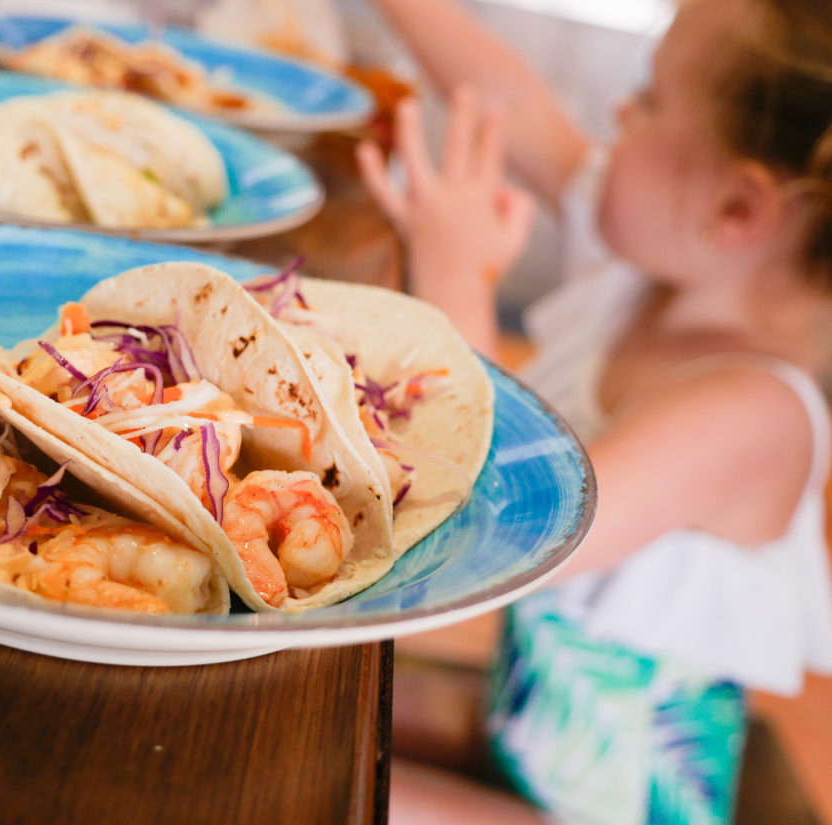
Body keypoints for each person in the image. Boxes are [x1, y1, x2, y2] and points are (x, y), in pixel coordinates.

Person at [356, 0, 832, 822]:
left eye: (648, 97)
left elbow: (506, 529)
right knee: (280, 706)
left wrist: (457, 279)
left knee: (305, 785)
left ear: (736, 209)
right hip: (516, 737)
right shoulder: (647, 270)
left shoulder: (756, 413)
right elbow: (511, 99)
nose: (618, 112)